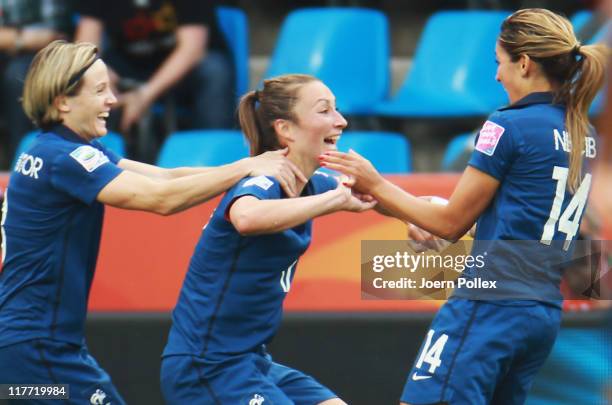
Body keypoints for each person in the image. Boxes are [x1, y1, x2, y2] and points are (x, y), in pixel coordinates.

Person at [321, 8, 607, 405]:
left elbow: (450, 223)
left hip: (489, 303)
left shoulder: (509, 125)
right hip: (541, 311)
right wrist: (404, 204)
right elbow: (525, 218)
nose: (496, 75)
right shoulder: (583, 131)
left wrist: (375, 182)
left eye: (499, 63)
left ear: (523, 63)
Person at [0, 40, 306, 405]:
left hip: (28, 348)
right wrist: (247, 168)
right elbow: (160, 200)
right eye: (100, 90)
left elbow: (165, 177)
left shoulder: (55, 148)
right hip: (38, 351)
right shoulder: (66, 157)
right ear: (62, 101)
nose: (112, 100)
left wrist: (247, 169)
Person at [160, 74, 375, 405]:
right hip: (206, 365)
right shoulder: (262, 181)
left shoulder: (312, 183)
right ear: (285, 129)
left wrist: (421, 216)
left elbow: (377, 196)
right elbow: (245, 217)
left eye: (337, 110)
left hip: (251, 362)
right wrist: (333, 203)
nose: (341, 121)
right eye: (325, 111)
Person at [75, 0, 235, 134]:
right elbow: (85, 48)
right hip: (128, 67)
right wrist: (101, 73)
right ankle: (88, 156)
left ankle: (210, 156)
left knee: (214, 71)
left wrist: (145, 94)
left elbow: (192, 49)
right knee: (83, 74)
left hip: (184, 72)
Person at [0, 0, 74, 166]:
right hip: (10, 56)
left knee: (18, 75)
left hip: (47, 57)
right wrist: (20, 38)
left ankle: (22, 165)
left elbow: (55, 36)